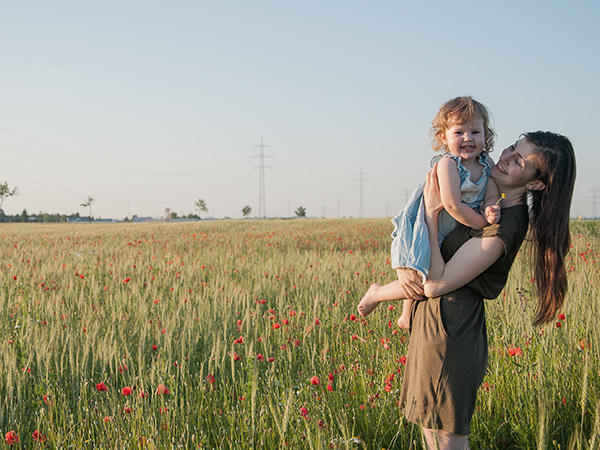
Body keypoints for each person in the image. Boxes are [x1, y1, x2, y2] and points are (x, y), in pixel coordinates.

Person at [363, 131, 576, 449]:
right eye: (512, 148)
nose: (504, 158)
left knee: (448, 439)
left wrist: (432, 214)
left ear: (536, 183)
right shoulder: (488, 206)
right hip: (435, 328)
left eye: (518, 161)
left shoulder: (507, 225)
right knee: (431, 433)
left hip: (451, 336)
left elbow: (435, 283)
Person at [357, 96, 501, 326]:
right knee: (417, 277)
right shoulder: (448, 165)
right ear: (444, 137)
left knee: (425, 274)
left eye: (475, 131)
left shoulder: (488, 164)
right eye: (459, 133)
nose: (468, 138)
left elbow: (492, 192)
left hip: (458, 226)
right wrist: (482, 224)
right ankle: (378, 293)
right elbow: (453, 205)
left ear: (486, 134)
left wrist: (491, 208)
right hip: (433, 224)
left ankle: (405, 314)